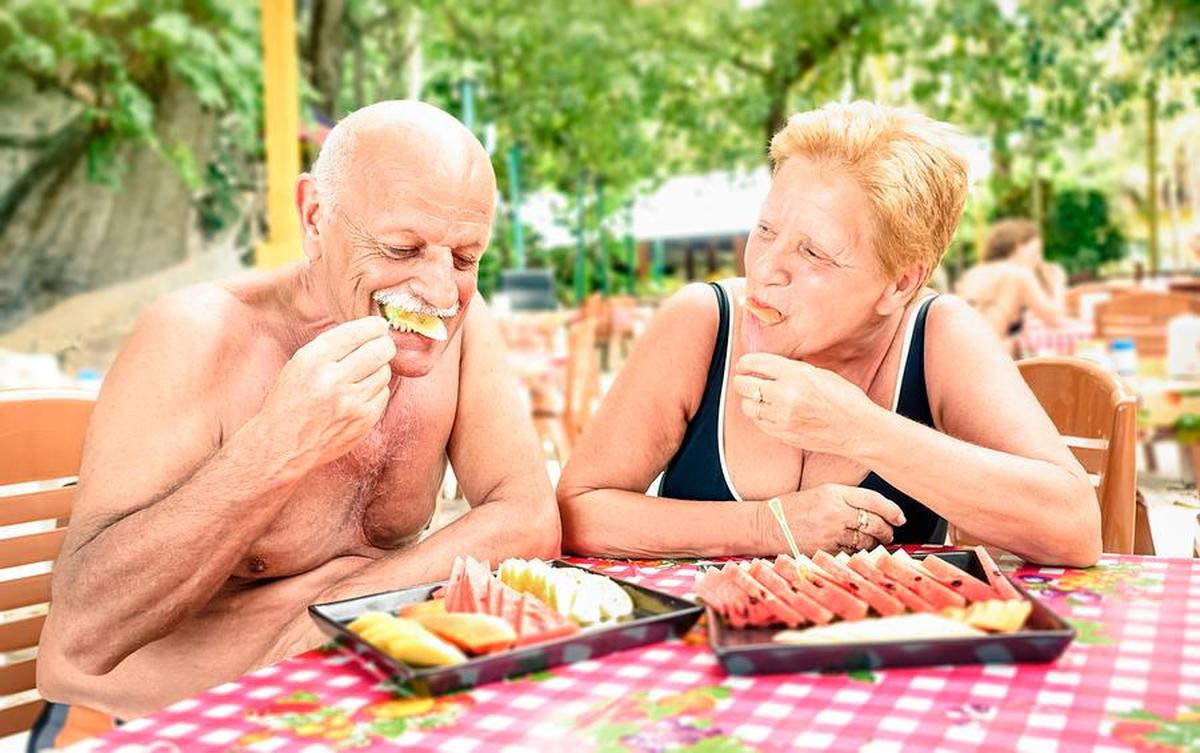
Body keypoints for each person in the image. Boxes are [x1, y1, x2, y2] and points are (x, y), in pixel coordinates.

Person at [34, 101, 560, 743]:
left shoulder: (458, 324)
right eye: (402, 248)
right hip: (150, 725)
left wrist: (335, 617)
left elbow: (528, 516)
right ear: (316, 217)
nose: (441, 293)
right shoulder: (198, 335)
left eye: (465, 257)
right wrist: (278, 446)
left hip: (340, 699)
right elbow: (80, 636)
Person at [557, 101, 1099, 571]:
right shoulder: (702, 322)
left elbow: (1073, 529)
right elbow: (579, 510)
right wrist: (768, 528)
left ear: (899, 283)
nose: (767, 266)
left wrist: (859, 428)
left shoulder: (938, 334)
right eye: (766, 229)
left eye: (814, 252)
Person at [955, 218, 1066, 348]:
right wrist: (1058, 283)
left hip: (960, 352)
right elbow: (1055, 319)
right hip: (986, 357)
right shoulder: (1018, 275)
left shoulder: (974, 273)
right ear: (1019, 247)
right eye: (1036, 251)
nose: (1038, 260)